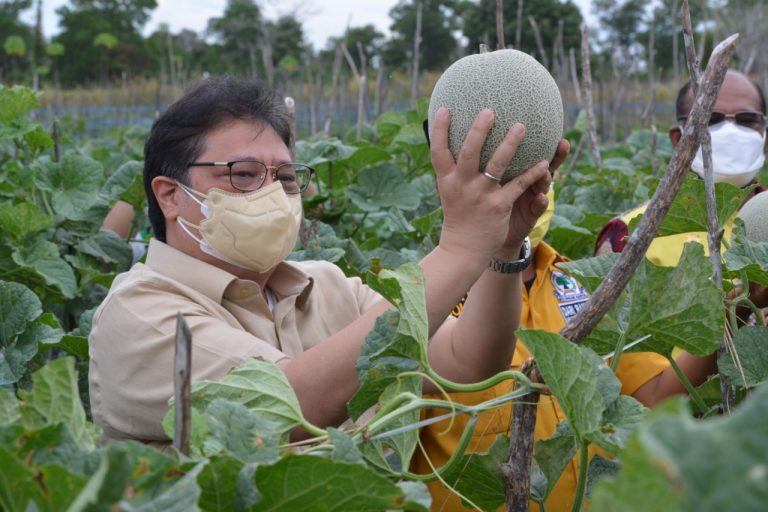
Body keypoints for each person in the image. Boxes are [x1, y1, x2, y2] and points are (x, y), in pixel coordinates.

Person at [87, 76, 569, 447]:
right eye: (245, 173)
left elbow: (468, 363)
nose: (272, 192)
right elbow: (287, 407)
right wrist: (460, 247)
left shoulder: (330, 285)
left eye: (286, 176)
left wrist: (501, 250)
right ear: (170, 196)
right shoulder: (138, 313)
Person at [412, 188, 717, 512]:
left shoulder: (586, 285)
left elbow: (655, 395)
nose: (523, 185)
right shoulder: (425, 301)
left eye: (538, 170)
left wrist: (729, 316)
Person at [595, 70, 767, 263]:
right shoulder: (629, 235)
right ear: (679, 140)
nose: (731, 132)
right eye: (709, 120)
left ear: (765, 138)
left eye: (747, 121)